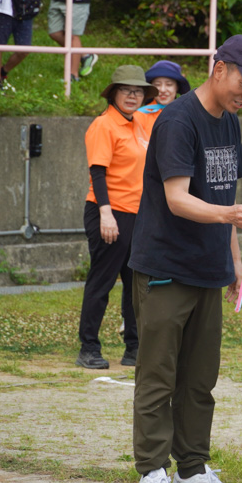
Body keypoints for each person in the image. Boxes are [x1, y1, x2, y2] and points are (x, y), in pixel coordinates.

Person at [128, 35, 242, 483]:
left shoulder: (229, 124)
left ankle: (191, 468)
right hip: (166, 268)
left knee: (199, 378)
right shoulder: (177, 120)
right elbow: (178, 198)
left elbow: (225, 190)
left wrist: (233, 262)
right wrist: (232, 216)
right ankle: (152, 471)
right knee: (158, 373)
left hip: (210, 269)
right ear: (219, 68)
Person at [75, 65, 156, 370]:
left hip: (137, 214)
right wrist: (106, 215)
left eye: (138, 91)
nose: (133, 95)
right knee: (102, 280)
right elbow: (98, 171)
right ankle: (88, 347)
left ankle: (134, 348)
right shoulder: (104, 125)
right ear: (114, 93)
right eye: (126, 90)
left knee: (136, 283)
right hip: (109, 212)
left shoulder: (140, 124)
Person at [137, 59, 191, 127]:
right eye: (157, 84)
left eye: (169, 84)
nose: (162, 90)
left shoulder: (188, 115)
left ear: (177, 87)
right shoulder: (139, 116)